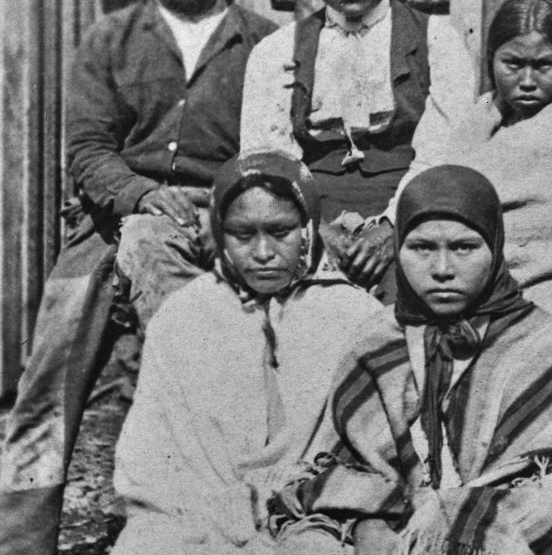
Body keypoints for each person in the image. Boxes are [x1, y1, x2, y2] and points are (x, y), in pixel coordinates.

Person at [0, 0, 276, 553]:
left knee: (217, 367)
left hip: (220, 225)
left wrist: (227, 213)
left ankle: (210, 525)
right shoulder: (110, 39)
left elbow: (268, 152)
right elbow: (88, 151)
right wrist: (138, 198)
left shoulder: (263, 44)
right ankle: (22, 537)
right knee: (47, 382)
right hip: (105, 223)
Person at [267, 165, 552, 555]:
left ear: (495, 247)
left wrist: (440, 523)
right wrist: (366, 524)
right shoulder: (376, 342)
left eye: (464, 248)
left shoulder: (546, 348)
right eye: (422, 248)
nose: (442, 270)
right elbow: (345, 468)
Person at [110, 151, 381, 555]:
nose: (263, 252)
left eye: (281, 231)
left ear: (308, 229)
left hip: (315, 515)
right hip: (200, 514)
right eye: (242, 234)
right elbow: (150, 457)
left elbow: (377, 453)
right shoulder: (185, 315)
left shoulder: (357, 317)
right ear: (220, 233)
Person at [241, 0, 475, 295]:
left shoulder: (436, 42)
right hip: (308, 222)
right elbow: (267, 161)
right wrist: (312, 229)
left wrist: (392, 227)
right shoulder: (275, 53)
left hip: (413, 216)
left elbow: (444, 155)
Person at [387, 0, 552, 351]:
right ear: (492, 61)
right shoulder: (477, 121)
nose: (527, 80)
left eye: (544, 65)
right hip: (465, 296)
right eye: (513, 64)